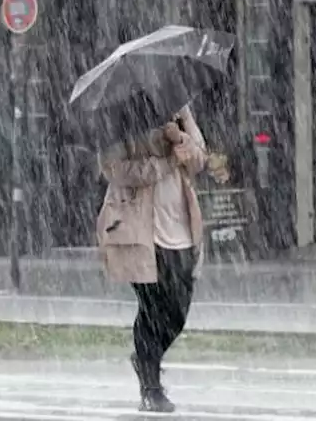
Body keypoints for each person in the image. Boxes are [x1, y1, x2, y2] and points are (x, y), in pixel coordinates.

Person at [95, 104, 226, 413]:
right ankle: (151, 388)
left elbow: (198, 160)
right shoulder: (118, 114)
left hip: (181, 226)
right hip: (140, 230)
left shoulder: (178, 109)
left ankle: (146, 357)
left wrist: (180, 137)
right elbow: (114, 170)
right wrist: (166, 163)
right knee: (153, 308)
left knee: (178, 310)